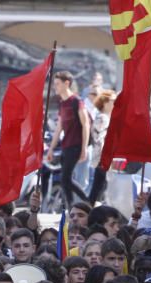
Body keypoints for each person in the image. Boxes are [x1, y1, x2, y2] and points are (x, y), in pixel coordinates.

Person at [47, 70, 90, 210]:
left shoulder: (77, 101)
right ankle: (71, 208)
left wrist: (84, 148)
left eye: (58, 84)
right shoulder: (62, 103)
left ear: (67, 83)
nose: (55, 87)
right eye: (55, 84)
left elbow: (86, 125)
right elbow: (59, 128)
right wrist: (51, 149)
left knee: (65, 179)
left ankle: (87, 203)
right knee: (65, 181)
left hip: (76, 145)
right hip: (66, 145)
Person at [88, 90, 115, 203]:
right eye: (113, 101)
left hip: (102, 158)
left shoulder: (105, 117)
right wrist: (106, 158)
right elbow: (100, 139)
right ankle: (89, 210)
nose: (115, 103)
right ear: (106, 102)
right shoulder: (103, 118)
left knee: (100, 187)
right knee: (99, 187)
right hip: (102, 158)